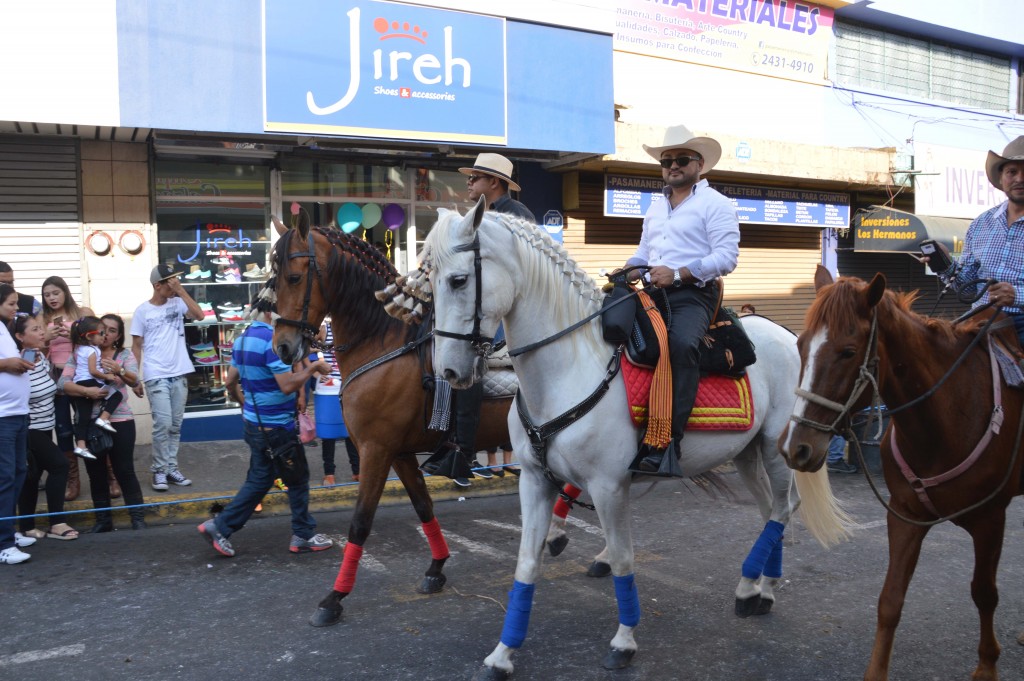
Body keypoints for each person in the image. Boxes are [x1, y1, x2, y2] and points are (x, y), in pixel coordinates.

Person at [620, 125, 740, 477]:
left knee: (681, 343)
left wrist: (679, 273)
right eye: (666, 160)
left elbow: (727, 257)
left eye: (681, 159)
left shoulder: (716, 204)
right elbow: (645, 251)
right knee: (607, 328)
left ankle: (667, 440)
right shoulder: (656, 207)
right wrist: (629, 268)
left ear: (699, 163)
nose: (672, 165)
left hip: (694, 293)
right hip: (653, 291)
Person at [427, 153, 535, 488]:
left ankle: (464, 451)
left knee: (469, 363)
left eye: (475, 177)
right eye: (470, 177)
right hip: (483, 307)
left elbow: (523, 275)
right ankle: (444, 440)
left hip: (507, 314)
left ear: (494, 182)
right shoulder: (480, 216)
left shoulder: (515, 217)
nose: (469, 182)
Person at [197, 304, 334, 557]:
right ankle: (302, 535)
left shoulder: (242, 338)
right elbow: (287, 386)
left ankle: (220, 527)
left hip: (254, 425)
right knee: (297, 480)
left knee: (259, 481)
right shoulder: (272, 342)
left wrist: (247, 405)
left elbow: (229, 382)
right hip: (277, 430)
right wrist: (314, 368)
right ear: (271, 314)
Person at [930, 136, 1024, 345]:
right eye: (1012, 172)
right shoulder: (981, 223)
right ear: (1001, 179)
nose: (1019, 178)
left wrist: (1017, 296)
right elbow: (969, 287)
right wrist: (944, 264)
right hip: (981, 319)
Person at [61, 314, 148, 532]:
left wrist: (117, 369)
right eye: (103, 329)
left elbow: (135, 380)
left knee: (124, 469)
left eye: (112, 330)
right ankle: (103, 521)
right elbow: (62, 384)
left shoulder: (124, 355)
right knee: (95, 472)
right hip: (89, 423)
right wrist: (86, 391)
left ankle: (137, 518)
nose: (106, 334)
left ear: (119, 335)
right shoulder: (81, 354)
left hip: (120, 419)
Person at [130, 264, 204, 491]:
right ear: (157, 285)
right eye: (170, 281)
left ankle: (171, 467)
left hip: (179, 372)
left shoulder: (178, 302)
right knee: (162, 424)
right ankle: (159, 470)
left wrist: (181, 291)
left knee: (175, 425)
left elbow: (200, 315)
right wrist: (134, 377)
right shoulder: (142, 311)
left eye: (175, 280)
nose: (174, 284)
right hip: (156, 374)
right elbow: (136, 346)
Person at [12, 313, 77, 541]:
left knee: (32, 476)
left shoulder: (39, 356)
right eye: (36, 330)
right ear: (20, 337)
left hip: (45, 426)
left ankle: (27, 527)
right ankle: (57, 523)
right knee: (60, 465)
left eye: (42, 328)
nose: (42, 332)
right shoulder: (21, 363)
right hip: (30, 429)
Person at [40, 275, 95, 501]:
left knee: (89, 424)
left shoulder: (83, 313)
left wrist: (73, 335)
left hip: (82, 375)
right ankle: (73, 480)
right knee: (63, 429)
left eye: (56, 293)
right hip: (56, 378)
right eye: (47, 295)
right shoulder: (41, 318)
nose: (52, 298)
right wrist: (46, 339)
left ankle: (107, 476)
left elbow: (97, 342)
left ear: (65, 292)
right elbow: (36, 351)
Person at [0, 284, 36, 564]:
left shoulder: (5, 329)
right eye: (11, 304)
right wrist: (7, 364)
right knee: (5, 477)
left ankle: (9, 532)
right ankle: (3, 544)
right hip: (3, 417)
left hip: (17, 413)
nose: (15, 308)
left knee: (19, 472)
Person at [68, 316, 122, 460]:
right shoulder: (93, 350)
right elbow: (92, 370)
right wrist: (107, 376)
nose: (104, 336)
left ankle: (81, 446)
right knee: (117, 395)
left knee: (83, 418)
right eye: (101, 333)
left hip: (79, 383)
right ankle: (103, 418)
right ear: (89, 336)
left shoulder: (79, 349)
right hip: (89, 381)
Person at [314, 320, 359, 485]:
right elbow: (304, 350)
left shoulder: (349, 327)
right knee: (328, 434)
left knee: (350, 432)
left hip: (347, 385)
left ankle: (357, 471)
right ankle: (329, 473)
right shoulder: (324, 328)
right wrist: (316, 371)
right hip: (328, 387)